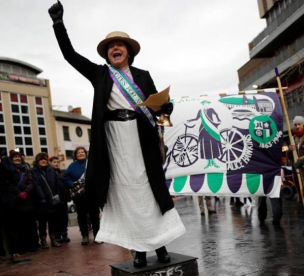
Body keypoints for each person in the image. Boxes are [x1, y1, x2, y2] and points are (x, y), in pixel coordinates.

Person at [49, 1, 185, 268]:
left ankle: (160, 245)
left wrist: (166, 108)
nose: (115, 49)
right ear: (107, 54)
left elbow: (157, 111)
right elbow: (70, 55)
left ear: (128, 51)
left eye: (120, 45)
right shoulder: (99, 74)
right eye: (111, 46)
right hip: (113, 141)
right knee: (125, 193)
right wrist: (58, 24)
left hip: (140, 139)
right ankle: (138, 250)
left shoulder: (144, 76)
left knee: (148, 190)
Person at [64, 147, 100, 245]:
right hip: (79, 196)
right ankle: (85, 236)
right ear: (75, 155)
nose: (81, 153)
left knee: (94, 216)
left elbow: (98, 175)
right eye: (78, 152)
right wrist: (72, 184)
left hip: (92, 194)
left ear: (85, 153)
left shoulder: (91, 163)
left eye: (82, 152)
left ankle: (97, 235)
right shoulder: (71, 166)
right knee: (81, 216)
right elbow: (66, 178)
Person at [31, 152, 65, 248]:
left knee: (52, 221)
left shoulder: (51, 171)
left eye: (45, 159)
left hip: (52, 200)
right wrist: (42, 197)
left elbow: (57, 183)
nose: (43, 161)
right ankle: (43, 240)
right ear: (37, 161)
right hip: (41, 201)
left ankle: (53, 239)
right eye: (41, 159)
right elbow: (36, 186)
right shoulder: (34, 171)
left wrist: (58, 195)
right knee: (42, 222)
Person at [10, 150, 39, 254]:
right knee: (19, 226)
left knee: (30, 225)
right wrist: (18, 193)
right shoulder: (9, 170)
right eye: (15, 157)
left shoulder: (26, 170)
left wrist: (26, 192)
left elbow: (31, 182)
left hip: (28, 202)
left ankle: (32, 245)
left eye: (19, 157)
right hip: (16, 202)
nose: (17, 159)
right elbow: (10, 184)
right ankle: (21, 247)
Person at [49, 156, 71, 243]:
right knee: (56, 218)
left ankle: (64, 234)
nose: (56, 164)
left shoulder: (61, 172)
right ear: (50, 163)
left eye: (57, 162)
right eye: (54, 162)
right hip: (54, 199)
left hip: (63, 199)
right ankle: (57, 235)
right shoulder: (49, 173)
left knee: (64, 217)